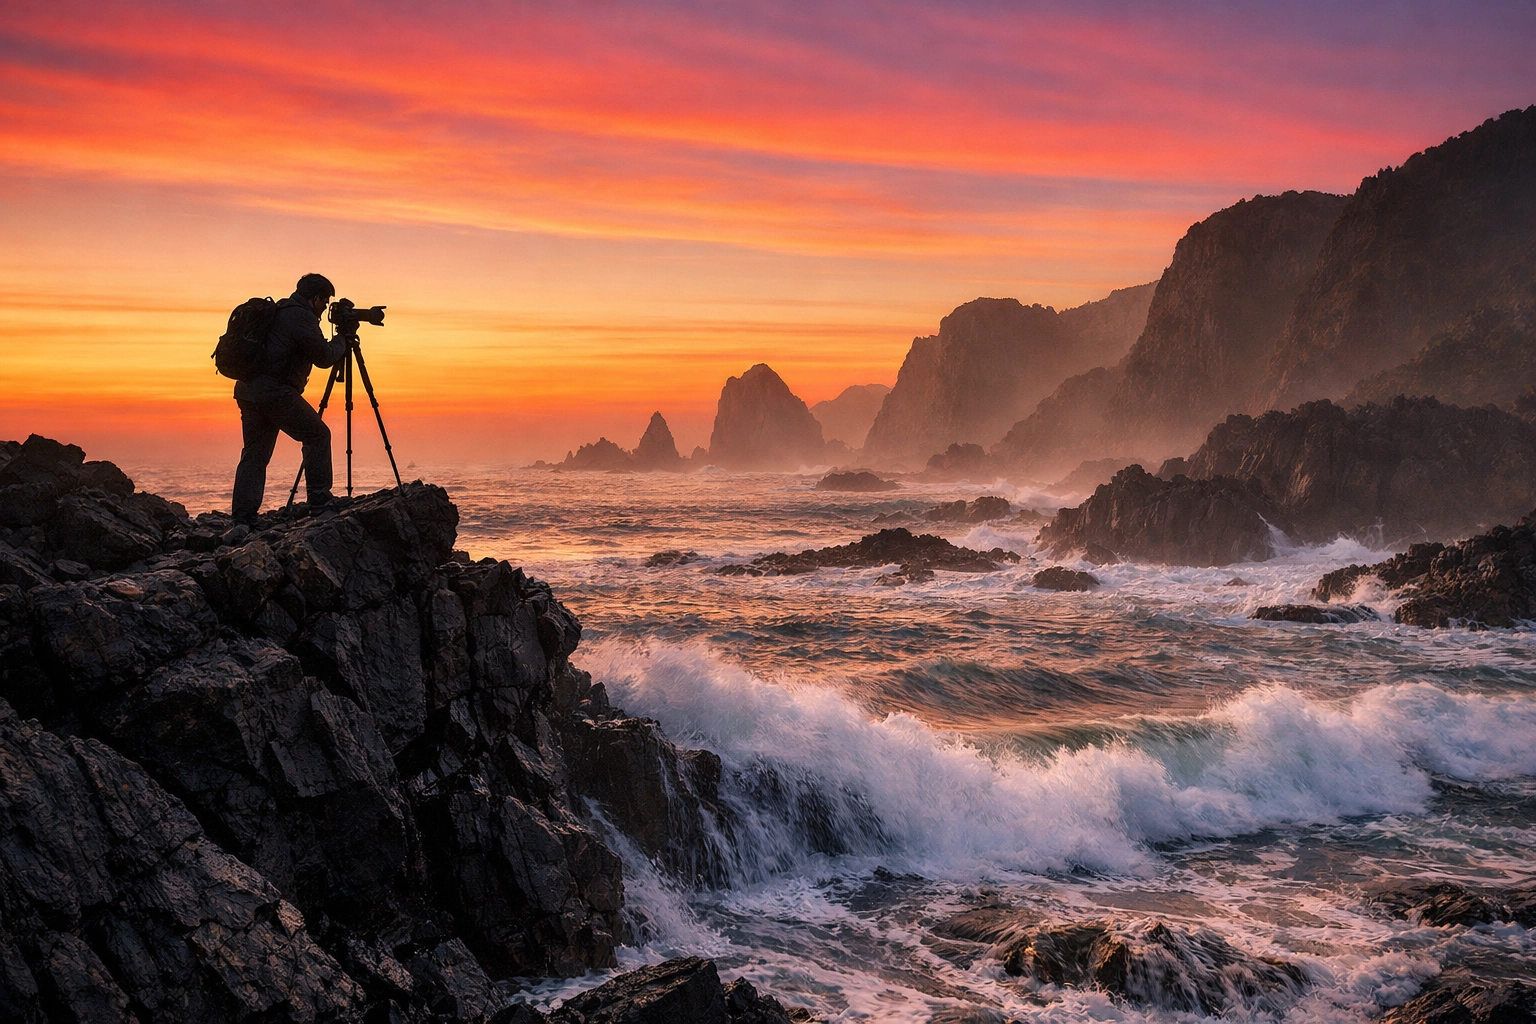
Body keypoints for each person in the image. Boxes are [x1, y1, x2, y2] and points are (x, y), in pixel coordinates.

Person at [230, 273, 348, 522]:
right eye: (324, 302)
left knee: (255, 453)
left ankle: (242, 518)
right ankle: (319, 501)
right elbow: (325, 357)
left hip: (249, 391)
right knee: (317, 435)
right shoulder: (300, 316)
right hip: (274, 393)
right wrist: (342, 341)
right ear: (315, 298)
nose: (324, 309)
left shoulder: (281, 309)